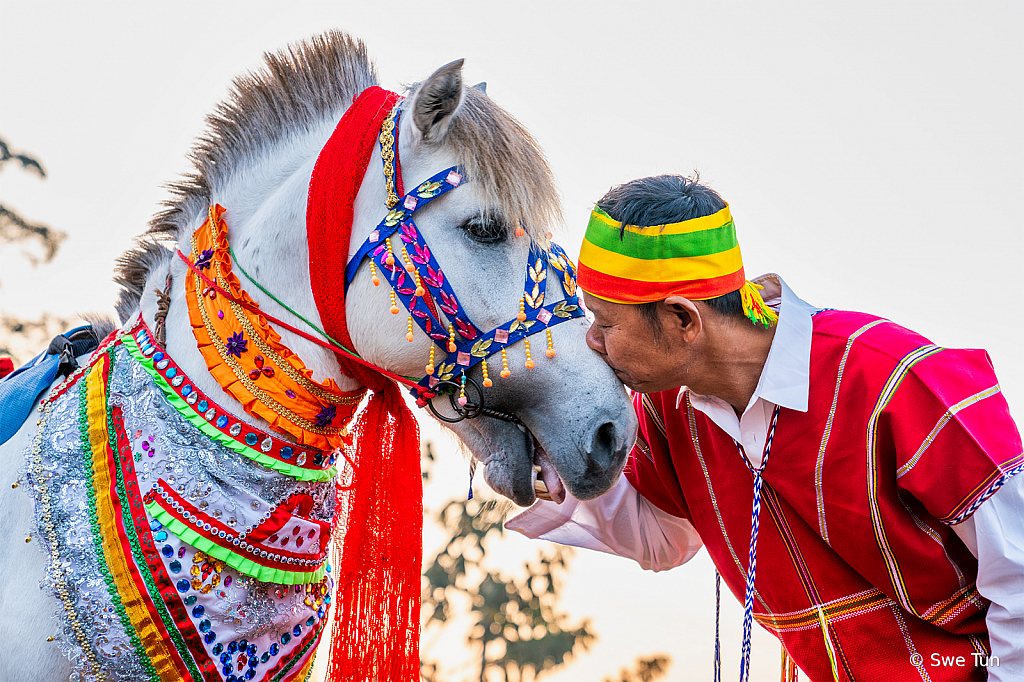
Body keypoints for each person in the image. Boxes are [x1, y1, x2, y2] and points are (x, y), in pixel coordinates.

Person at [507, 175, 1023, 681]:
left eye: (606, 323)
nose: (592, 342)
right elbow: (659, 538)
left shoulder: (898, 380)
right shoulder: (672, 412)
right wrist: (549, 452)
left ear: (683, 321)